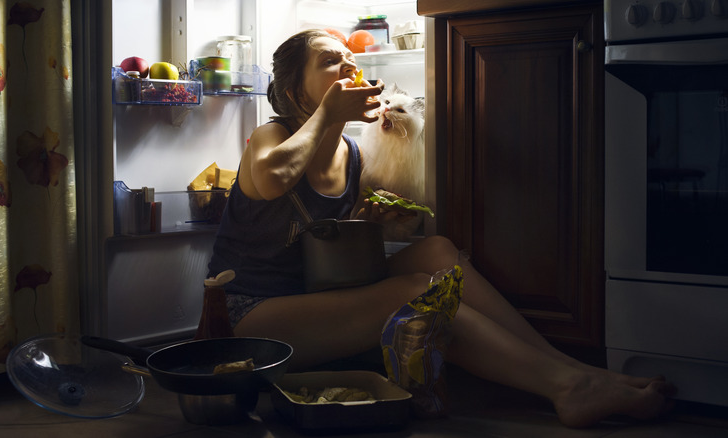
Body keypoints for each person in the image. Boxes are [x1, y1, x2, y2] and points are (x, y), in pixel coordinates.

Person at [206, 29, 676, 428]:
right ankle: (568, 387)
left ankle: (573, 369)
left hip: (312, 297)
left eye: (351, 59)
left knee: (435, 251)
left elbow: (328, 251)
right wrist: (328, 112)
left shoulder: (353, 155)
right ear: (296, 93)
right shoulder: (275, 134)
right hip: (248, 313)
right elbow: (271, 182)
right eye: (331, 63)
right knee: (410, 293)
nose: (350, 67)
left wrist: (369, 225)